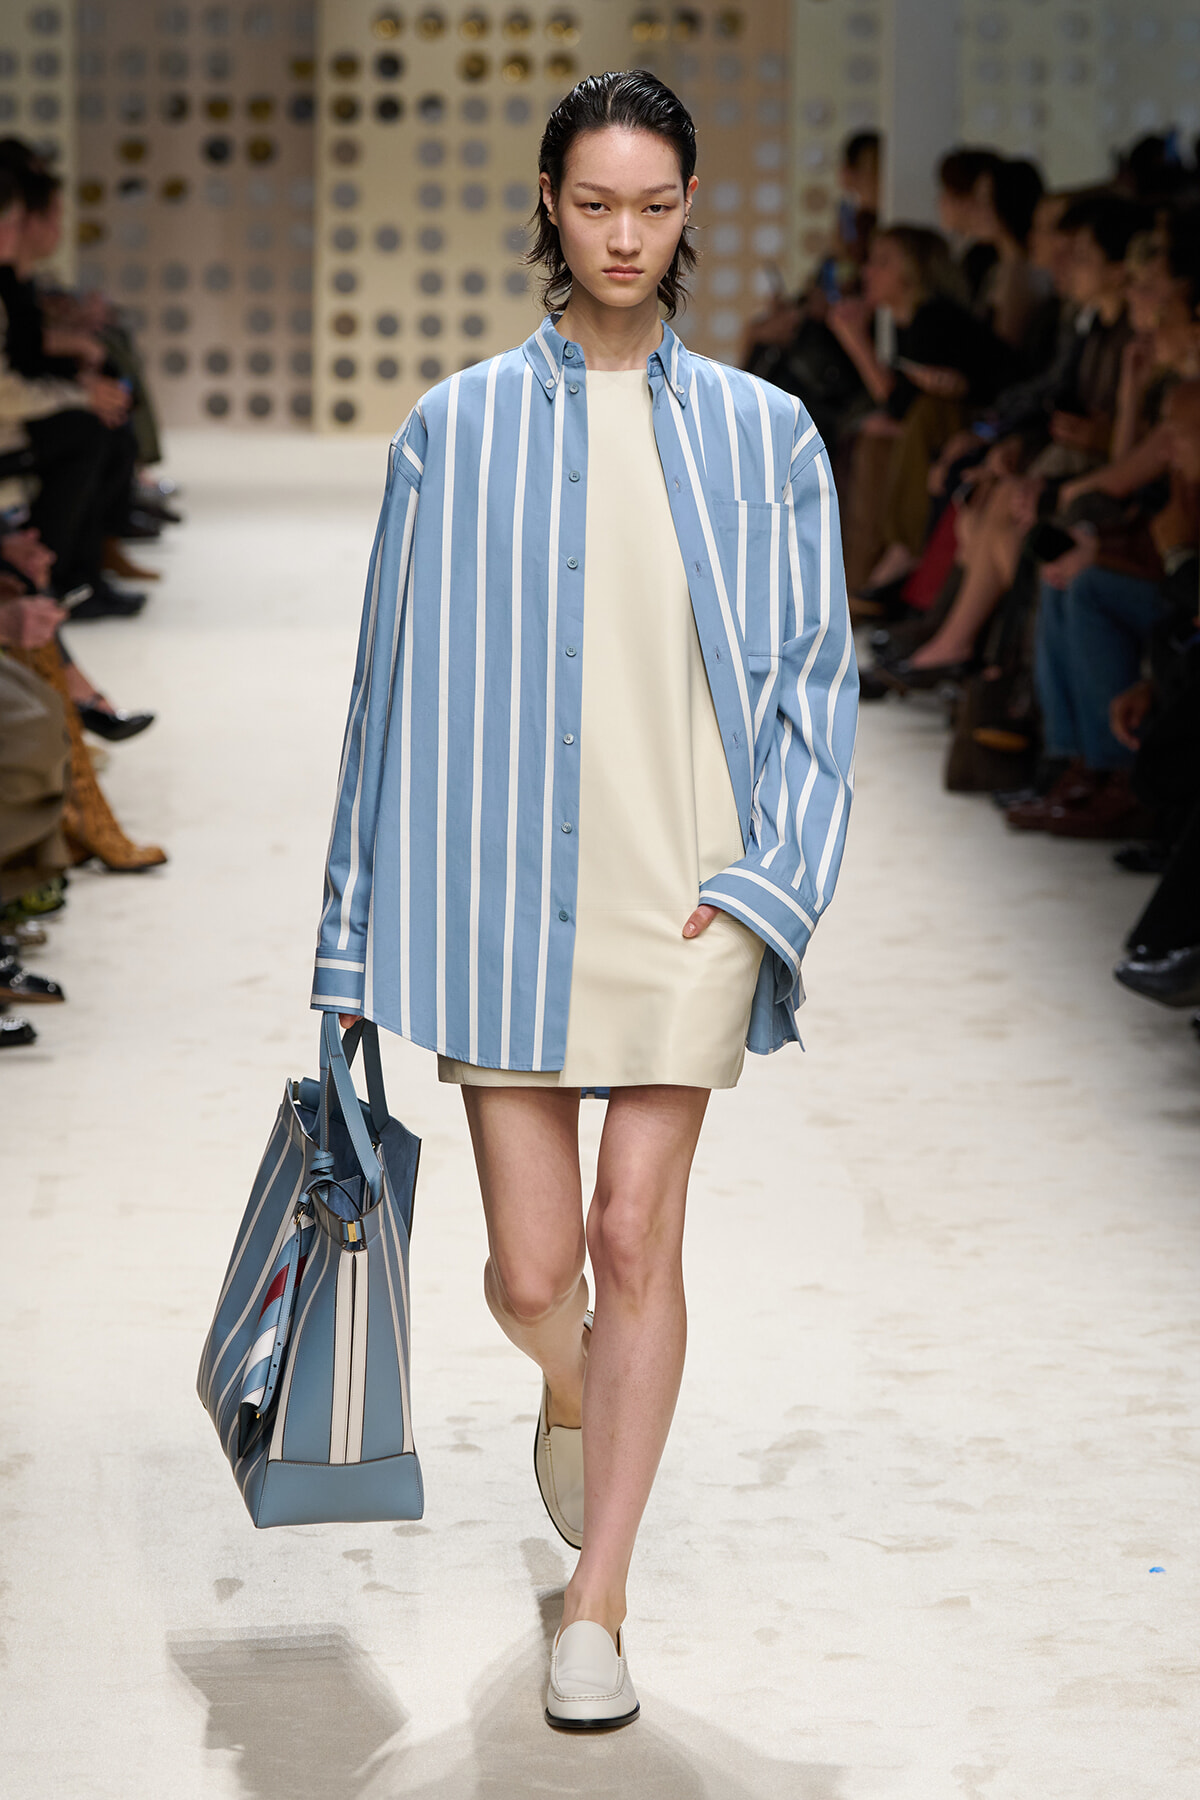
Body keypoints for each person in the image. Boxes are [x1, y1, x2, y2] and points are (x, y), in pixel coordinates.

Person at [312, 69, 857, 1733]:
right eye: (597, 201)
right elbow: (384, 691)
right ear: (549, 200)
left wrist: (773, 883)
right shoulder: (452, 429)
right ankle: (577, 1383)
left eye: (656, 204)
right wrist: (348, 945)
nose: (625, 235)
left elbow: (818, 682)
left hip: (689, 894)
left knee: (636, 1234)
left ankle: (597, 1600)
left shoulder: (765, 435)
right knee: (530, 1265)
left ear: (690, 211)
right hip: (495, 893)